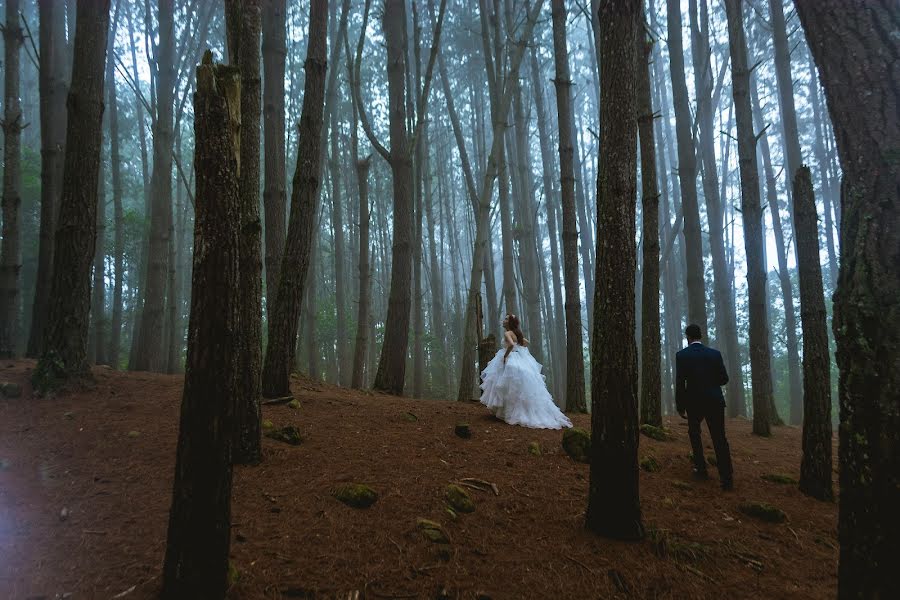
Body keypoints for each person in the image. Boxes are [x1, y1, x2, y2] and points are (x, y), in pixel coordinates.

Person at [480, 314, 572, 429]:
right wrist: (518, 344)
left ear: (510, 322)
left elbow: (512, 344)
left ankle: (508, 412)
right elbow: (525, 342)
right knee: (514, 387)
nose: (504, 321)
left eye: (506, 319)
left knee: (506, 386)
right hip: (520, 359)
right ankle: (518, 411)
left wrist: (505, 356)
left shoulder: (508, 333)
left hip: (511, 359)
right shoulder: (517, 333)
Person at [675, 324, 734, 490]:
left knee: (694, 433)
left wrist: (680, 406)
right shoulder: (715, 354)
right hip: (715, 401)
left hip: (693, 402)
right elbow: (724, 379)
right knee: (719, 438)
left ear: (688, 337)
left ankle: (701, 469)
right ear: (700, 336)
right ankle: (727, 477)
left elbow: (680, 383)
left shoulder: (682, 355)